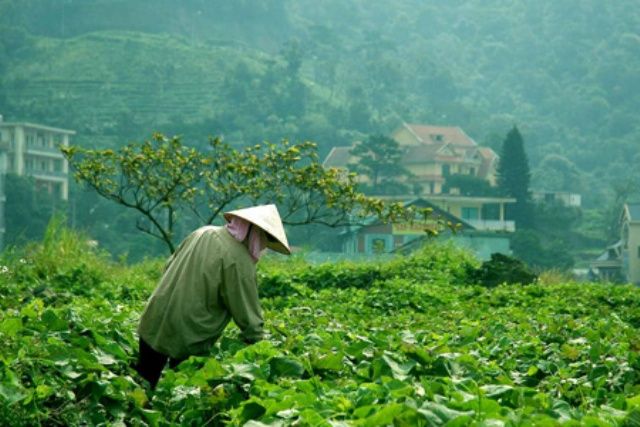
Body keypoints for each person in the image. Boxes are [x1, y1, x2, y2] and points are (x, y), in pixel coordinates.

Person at [134, 204, 291, 389]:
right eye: (265, 238)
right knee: (179, 396)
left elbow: (169, 265)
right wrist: (263, 351)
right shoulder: (239, 261)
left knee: (143, 384)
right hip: (189, 335)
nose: (263, 245)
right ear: (253, 231)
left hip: (155, 315)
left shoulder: (203, 232)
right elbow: (248, 315)